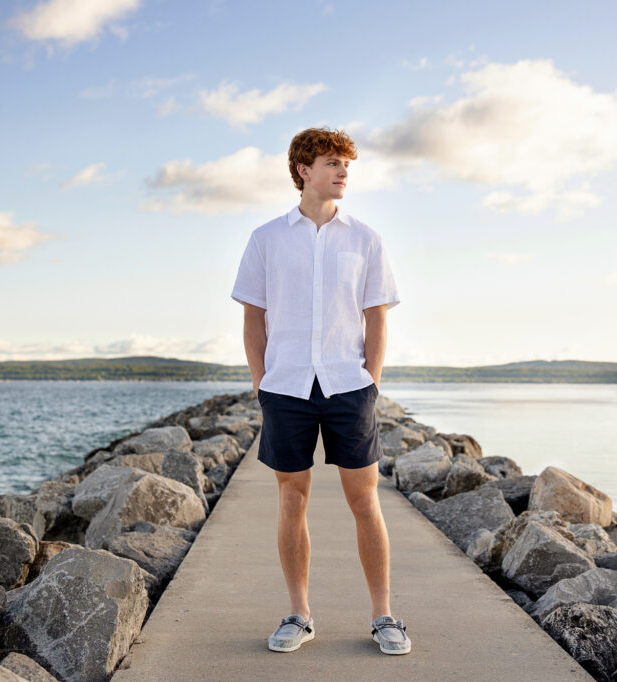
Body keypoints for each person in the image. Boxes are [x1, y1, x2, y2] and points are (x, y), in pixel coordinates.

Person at [230, 126, 410, 655]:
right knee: (292, 498)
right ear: (303, 170)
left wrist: (372, 384)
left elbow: (376, 319)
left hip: (349, 385)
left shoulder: (366, 239)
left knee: (364, 500)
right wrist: (261, 384)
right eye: (333, 162)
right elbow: (253, 318)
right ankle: (298, 614)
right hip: (285, 387)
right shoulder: (266, 238)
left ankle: (384, 616)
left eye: (347, 164)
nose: (343, 172)